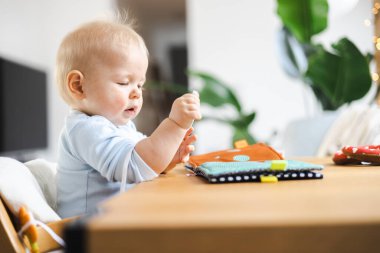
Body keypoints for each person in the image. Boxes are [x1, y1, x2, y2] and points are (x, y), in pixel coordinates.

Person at [55, 18, 201, 218]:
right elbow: (136, 165)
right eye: (124, 82)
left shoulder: (122, 128)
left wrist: (167, 159)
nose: (137, 94)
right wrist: (175, 124)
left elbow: (147, 161)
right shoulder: (85, 129)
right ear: (79, 86)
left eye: (140, 85)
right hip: (90, 235)